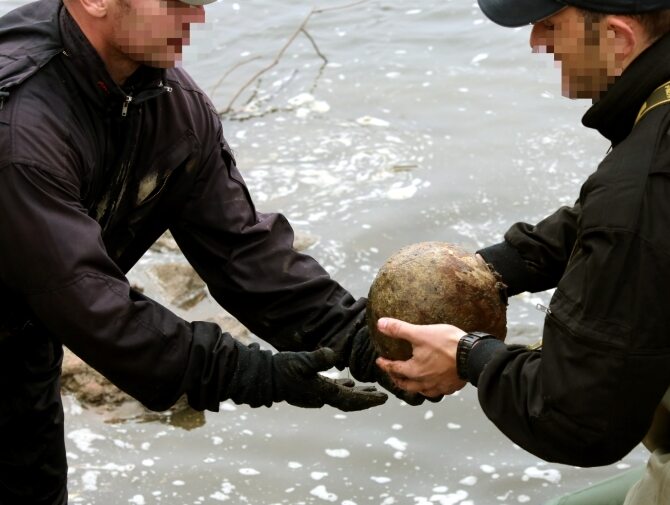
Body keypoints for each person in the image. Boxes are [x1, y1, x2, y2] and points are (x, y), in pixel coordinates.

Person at [0, 0, 426, 503]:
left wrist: (362, 339)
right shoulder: (18, 124)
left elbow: (241, 249)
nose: (195, 18)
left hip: (21, 353)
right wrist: (246, 372)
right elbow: (87, 301)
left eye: (199, 2)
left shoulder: (166, 101)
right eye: (175, 3)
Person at [373, 1, 670, 504]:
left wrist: (467, 356)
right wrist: (483, 273)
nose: (537, 40)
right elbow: (609, 226)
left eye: (551, 24)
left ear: (619, 37)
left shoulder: (640, 182)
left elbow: (577, 417)